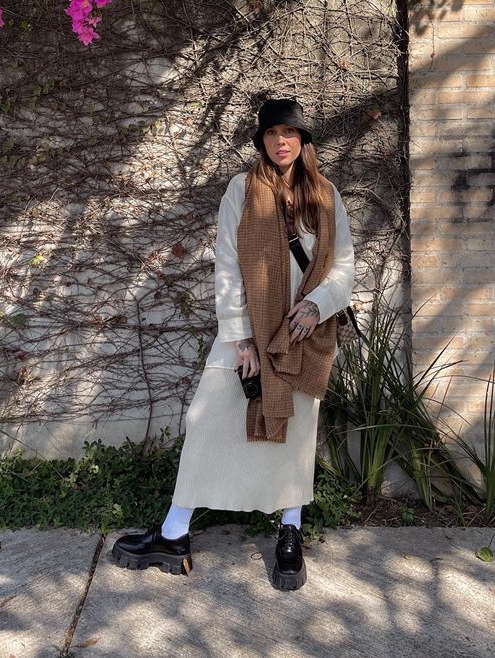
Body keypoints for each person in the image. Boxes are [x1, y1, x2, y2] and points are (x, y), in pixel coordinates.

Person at [111, 98, 355, 591]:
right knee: (206, 420)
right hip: (247, 332)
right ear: (262, 142)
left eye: (290, 133)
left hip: (303, 333)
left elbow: (344, 266)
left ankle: (290, 532)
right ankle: (175, 532)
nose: (281, 142)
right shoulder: (241, 190)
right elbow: (226, 263)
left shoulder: (326, 195)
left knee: (297, 430)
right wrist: (239, 335)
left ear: (303, 141)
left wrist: (316, 306)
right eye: (271, 134)